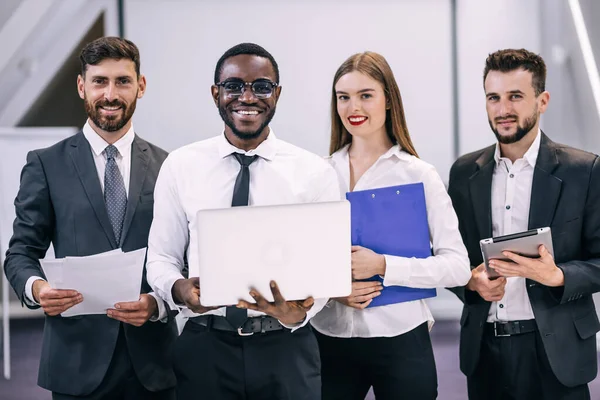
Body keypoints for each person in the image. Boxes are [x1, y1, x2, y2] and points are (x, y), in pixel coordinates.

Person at [145, 42, 340, 400]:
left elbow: (329, 264)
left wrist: (296, 313)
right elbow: (161, 258)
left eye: (261, 86)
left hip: (287, 348)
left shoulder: (314, 172)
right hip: (205, 346)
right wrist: (179, 289)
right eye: (234, 86)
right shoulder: (181, 165)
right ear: (215, 93)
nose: (247, 96)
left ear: (277, 94)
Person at [3, 36, 177, 400]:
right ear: (82, 86)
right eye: (100, 81)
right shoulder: (45, 164)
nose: (110, 94)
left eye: (122, 81)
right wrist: (38, 289)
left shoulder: (170, 166)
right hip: (76, 359)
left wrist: (159, 304)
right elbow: (20, 253)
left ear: (140, 86)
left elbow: (184, 256)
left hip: (155, 363)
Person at [310, 51, 471, 400]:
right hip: (329, 338)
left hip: (402, 339)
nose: (353, 106)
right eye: (344, 97)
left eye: (366, 95)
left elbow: (458, 268)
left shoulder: (418, 175)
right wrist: (334, 288)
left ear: (388, 101)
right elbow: (300, 261)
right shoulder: (317, 175)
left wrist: (383, 266)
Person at [448, 48, 600, 400]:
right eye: (494, 98)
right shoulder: (464, 173)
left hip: (556, 351)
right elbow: (448, 256)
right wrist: (469, 284)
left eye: (515, 96)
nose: (503, 110)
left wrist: (557, 276)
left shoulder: (584, 171)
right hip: (484, 349)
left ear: (542, 100)